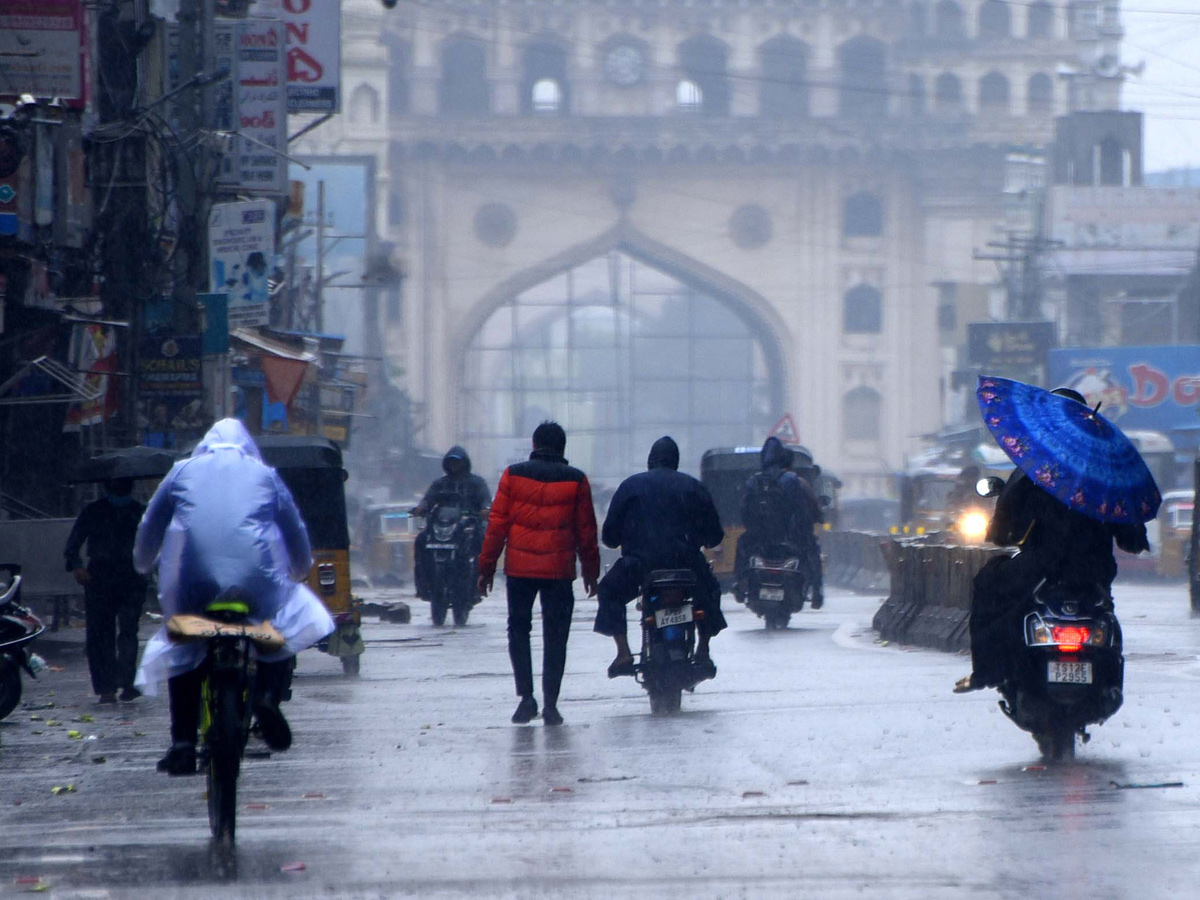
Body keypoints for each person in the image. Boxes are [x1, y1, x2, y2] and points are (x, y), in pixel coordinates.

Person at [133, 419, 335, 775]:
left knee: (185, 648)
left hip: (192, 585)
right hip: (256, 585)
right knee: (282, 623)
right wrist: (300, 570)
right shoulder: (265, 475)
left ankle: (182, 744)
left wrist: (142, 563)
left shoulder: (181, 472)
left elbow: (151, 526)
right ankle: (269, 697)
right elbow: (295, 531)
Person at [955, 389, 1150, 693]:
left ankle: (986, 672)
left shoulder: (1034, 473)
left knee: (986, 584)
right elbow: (1133, 542)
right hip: (1093, 575)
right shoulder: (1107, 479)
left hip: (1039, 570)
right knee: (1107, 617)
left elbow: (1001, 533)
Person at [476, 421, 600, 727]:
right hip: (558, 572)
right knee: (555, 636)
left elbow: (497, 526)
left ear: (534, 446)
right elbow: (586, 532)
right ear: (562, 448)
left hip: (520, 570)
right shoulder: (576, 480)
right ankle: (551, 704)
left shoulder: (513, 475)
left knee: (519, 630)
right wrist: (591, 572)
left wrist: (486, 568)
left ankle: (526, 698)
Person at [594, 436, 726, 679]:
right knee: (710, 593)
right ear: (675, 462)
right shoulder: (693, 487)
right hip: (687, 566)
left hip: (640, 567)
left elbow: (610, 537)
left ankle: (623, 651)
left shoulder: (630, 486)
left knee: (609, 591)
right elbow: (714, 536)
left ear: (649, 461)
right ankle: (703, 649)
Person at [63, 478, 149, 704]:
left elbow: (73, 544)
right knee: (120, 634)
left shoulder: (131, 512)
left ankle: (114, 686)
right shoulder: (133, 512)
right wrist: (77, 565)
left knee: (113, 634)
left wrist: (78, 565)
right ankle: (117, 686)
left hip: (119, 578)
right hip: (110, 579)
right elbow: (73, 545)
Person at [734, 436, 825, 608]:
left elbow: (744, 510)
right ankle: (817, 592)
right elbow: (803, 510)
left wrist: (755, 530)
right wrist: (799, 530)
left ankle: (738, 585)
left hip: (759, 540)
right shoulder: (794, 481)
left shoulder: (754, 480)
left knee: (741, 545)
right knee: (813, 548)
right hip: (792, 539)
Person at [412, 446, 490, 599]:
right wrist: (421, 508)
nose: (455, 466)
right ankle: (423, 584)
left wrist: (485, 509)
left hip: (469, 526)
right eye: (451, 462)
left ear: (464, 463)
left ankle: (477, 585)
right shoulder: (440, 484)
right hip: (442, 527)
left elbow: (485, 499)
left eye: (457, 462)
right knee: (421, 541)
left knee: (481, 543)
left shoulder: (477, 483)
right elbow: (428, 499)